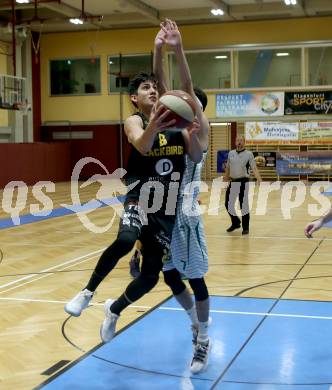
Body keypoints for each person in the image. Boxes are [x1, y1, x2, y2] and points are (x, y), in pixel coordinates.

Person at [64, 72, 202, 336]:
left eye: (155, 87)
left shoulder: (179, 125)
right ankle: (87, 292)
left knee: (150, 276)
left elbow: (195, 155)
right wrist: (156, 123)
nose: (152, 90)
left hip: (166, 208)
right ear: (134, 98)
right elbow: (142, 144)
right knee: (127, 240)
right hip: (140, 197)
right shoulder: (134, 121)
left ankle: (114, 310)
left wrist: (192, 134)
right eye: (145, 88)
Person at [128, 19, 211, 374]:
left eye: (182, 101)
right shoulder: (171, 130)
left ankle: (204, 338)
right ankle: (194, 323)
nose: (174, 100)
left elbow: (185, 86)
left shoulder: (200, 130)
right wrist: (159, 48)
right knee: (171, 278)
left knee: (195, 278)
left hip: (187, 215)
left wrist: (179, 49)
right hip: (163, 213)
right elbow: (164, 85)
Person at [224, 135, 261, 235]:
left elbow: (254, 168)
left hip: (244, 181)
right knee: (228, 204)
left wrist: (259, 179)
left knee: (243, 205)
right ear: (235, 142)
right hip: (233, 181)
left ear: (244, 142)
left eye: (241, 140)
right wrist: (225, 179)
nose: (239, 142)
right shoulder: (231, 153)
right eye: (237, 140)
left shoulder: (249, 154)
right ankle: (235, 222)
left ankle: (246, 228)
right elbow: (228, 168)